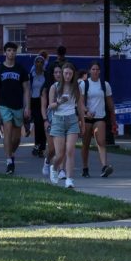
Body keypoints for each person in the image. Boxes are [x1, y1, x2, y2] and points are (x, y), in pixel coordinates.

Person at [0, 41, 31, 175]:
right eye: (9, 50)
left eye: (13, 51)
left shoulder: (21, 69)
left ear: (16, 52)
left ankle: (12, 153)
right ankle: (9, 161)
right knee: (7, 131)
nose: (11, 53)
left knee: (16, 138)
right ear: (5, 52)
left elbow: (26, 89)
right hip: (4, 105)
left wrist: (27, 107)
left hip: (18, 106)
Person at [46, 59, 84, 188]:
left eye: (70, 74)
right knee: (60, 154)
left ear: (73, 74)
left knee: (70, 151)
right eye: (65, 73)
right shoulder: (55, 87)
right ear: (62, 74)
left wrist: (82, 122)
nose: (67, 76)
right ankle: (54, 167)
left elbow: (80, 106)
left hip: (72, 120)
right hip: (58, 120)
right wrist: (59, 102)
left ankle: (69, 179)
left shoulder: (76, 87)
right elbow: (50, 106)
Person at [79, 61, 117, 177]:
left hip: (100, 117)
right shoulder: (84, 84)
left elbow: (110, 102)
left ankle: (104, 166)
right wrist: (86, 111)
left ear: (100, 71)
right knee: (85, 144)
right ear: (89, 71)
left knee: (101, 142)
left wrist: (113, 118)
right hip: (87, 118)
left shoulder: (105, 85)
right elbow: (80, 102)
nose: (95, 71)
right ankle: (85, 168)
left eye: (97, 69)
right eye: (93, 69)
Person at [29, 54, 46, 157]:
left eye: (41, 62)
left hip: (43, 101)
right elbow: (29, 89)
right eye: (37, 62)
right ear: (35, 63)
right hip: (34, 100)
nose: (39, 64)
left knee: (42, 123)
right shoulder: (31, 75)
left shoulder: (46, 74)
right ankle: (38, 144)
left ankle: (41, 146)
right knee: (37, 123)